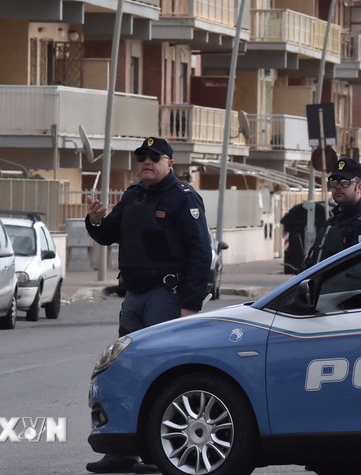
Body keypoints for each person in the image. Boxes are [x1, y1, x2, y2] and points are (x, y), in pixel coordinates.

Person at [84, 136, 212, 474]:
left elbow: (201, 252)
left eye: (155, 157)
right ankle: (121, 450)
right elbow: (107, 234)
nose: (147, 161)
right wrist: (94, 220)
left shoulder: (183, 197)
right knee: (126, 372)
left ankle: (160, 452)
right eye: (142, 156)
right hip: (134, 297)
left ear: (170, 163)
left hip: (166, 297)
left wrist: (190, 305)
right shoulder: (133, 195)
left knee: (162, 375)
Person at [303, 156, 361, 269]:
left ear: (359, 187)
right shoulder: (332, 222)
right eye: (334, 182)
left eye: (345, 182)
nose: (338, 187)